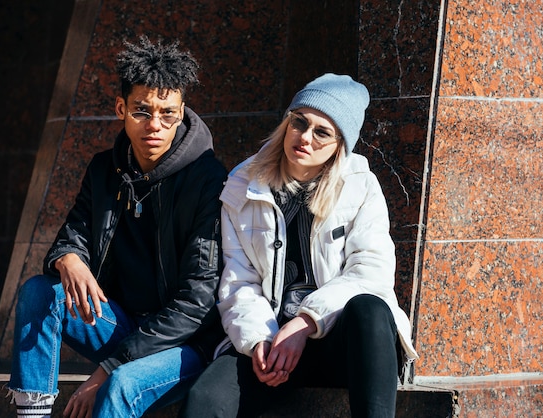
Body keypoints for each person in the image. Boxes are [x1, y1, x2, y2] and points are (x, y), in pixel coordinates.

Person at [7, 35, 228, 418]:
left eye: (167, 113)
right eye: (142, 111)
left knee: (120, 385)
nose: (155, 125)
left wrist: (108, 368)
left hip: (185, 344)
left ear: (181, 112)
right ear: (121, 108)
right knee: (39, 293)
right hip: (121, 324)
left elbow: (198, 302)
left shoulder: (207, 179)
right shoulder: (104, 169)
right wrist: (69, 257)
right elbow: (73, 232)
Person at [179, 73, 418, 418]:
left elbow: (371, 273)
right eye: (299, 122)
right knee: (206, 398)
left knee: (370, 308)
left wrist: (307, 321)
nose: (305, 137)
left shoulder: (361, 185)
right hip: (273, 337)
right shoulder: (243, 184)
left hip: (342, 343)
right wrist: (259, 339)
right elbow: (238, 281)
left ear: (340, 144)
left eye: (322, 132)